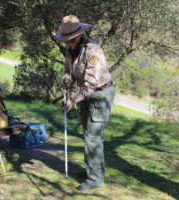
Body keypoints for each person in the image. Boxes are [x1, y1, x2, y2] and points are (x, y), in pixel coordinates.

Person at [52, 15, 115, 191]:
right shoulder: (69, 49)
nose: (68, 43)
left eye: (71, 40)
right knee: (88, 133)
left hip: (100, 95)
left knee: (93, 137)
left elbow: (91, 83)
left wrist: (72, 100)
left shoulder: (93, 51)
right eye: (66, 40)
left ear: (79, 35)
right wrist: (67, 77)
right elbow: (68, 68)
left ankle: (95, 179)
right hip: (84, 94)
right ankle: (91, 171)